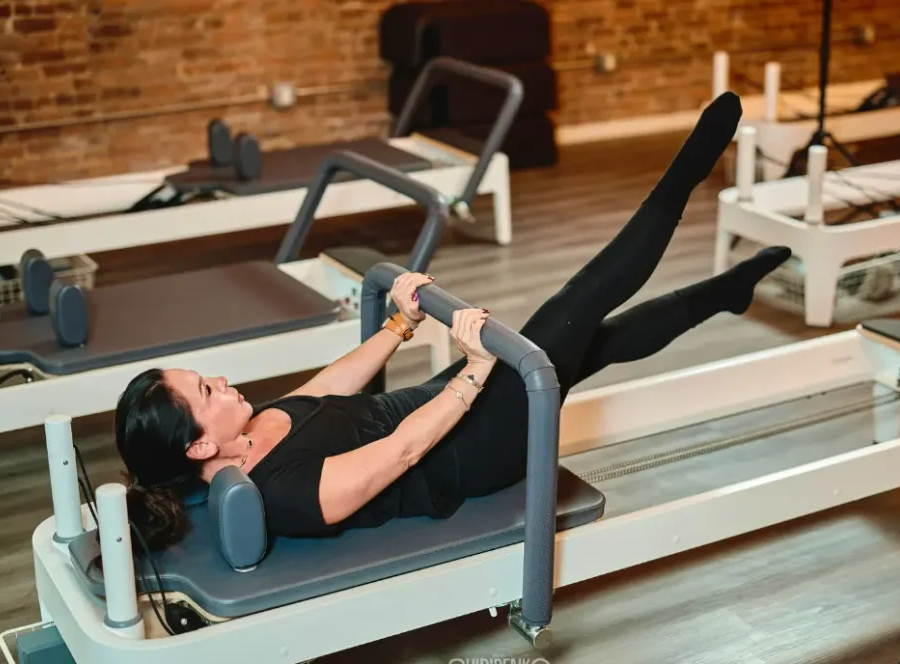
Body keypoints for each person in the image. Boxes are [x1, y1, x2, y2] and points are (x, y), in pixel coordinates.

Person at [115, 91, 792, 550]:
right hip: (472, 450)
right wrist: (473, 371)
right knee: (575, 307)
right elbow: (404, 454)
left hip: (441, 408)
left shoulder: (251, 430)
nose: (223, 382)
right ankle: (685, 176)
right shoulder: (278, 495)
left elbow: (328, 390)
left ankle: (722, 295)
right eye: (206, 392)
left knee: (597, 343)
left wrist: (400, 324)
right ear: (200, 447)